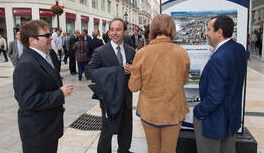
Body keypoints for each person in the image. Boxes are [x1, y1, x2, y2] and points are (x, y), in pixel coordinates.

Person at [128, 14, 190, 153]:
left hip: (150, 110)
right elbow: (184, 80)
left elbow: (134, 86)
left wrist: (134, 72)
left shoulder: (142, 53)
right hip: (173, 110)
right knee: (169, 150)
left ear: (153, 29)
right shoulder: (182, 52)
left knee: (153, 149)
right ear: (172, 29)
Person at [13, 20, 74, 153]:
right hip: (38, 133)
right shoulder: (27, 64)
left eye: (50, 34)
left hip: (48, 129)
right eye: (46, 35)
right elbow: (27, 101)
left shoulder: (44, 56)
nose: (51, 37)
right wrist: (60, 94)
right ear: (32, 40)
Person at [193, 15, 247, 153]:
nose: (205, 33)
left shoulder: (220, 58)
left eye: (208, 29)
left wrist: (198, 112)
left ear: (219, 32)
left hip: (214, 123)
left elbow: (216, 97)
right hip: (231, 119)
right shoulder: (238, 49)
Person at [86, 18, 135, 153]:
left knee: (126, 128)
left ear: (124, 32)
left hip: (126, 97)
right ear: (108, 32)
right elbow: (89, 72)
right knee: (107, 131)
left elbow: (137, 73)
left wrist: (133, 71)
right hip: (109, 99)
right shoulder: (100, 51)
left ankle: (124, 150)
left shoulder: (131, 51)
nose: (114, 33)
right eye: (111, 30)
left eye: (118, 29)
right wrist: (115, 72)